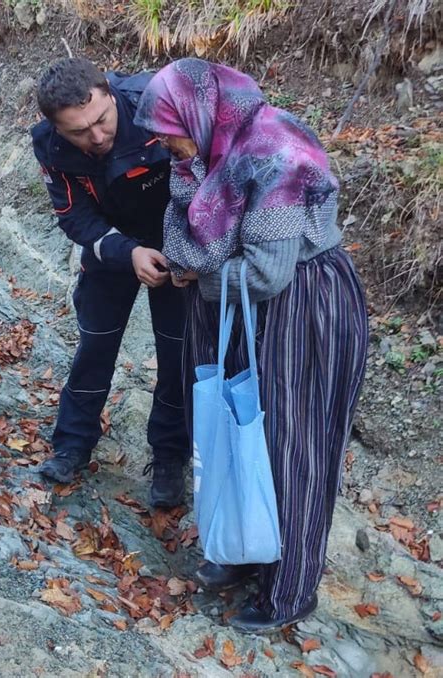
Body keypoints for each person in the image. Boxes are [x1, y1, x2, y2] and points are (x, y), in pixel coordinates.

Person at [134, 58, 369, 632]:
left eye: (169, 129)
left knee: (291, 444)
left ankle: (290, 588)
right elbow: (197, 228)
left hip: (300, 310)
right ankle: (246, 549)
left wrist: (193, 276)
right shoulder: (209, 153)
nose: (163, 144)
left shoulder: (277, 152)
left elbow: (267, 272)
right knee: (234, 432)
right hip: (241, 308)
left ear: (199, 109)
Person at [31, 57, 189, 507]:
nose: (96, 137)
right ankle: (73, 444)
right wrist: (127, 252)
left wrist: (186, 249)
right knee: (95, 346)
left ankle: (169, 456)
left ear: (109, 95)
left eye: (102, 120)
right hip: (109, 245)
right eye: (79, 132)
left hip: (174, 241)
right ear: (57, 128)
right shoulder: (50, 146)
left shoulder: (157, 106)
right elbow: (73, 216)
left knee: (177, 352)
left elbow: (203, 172)